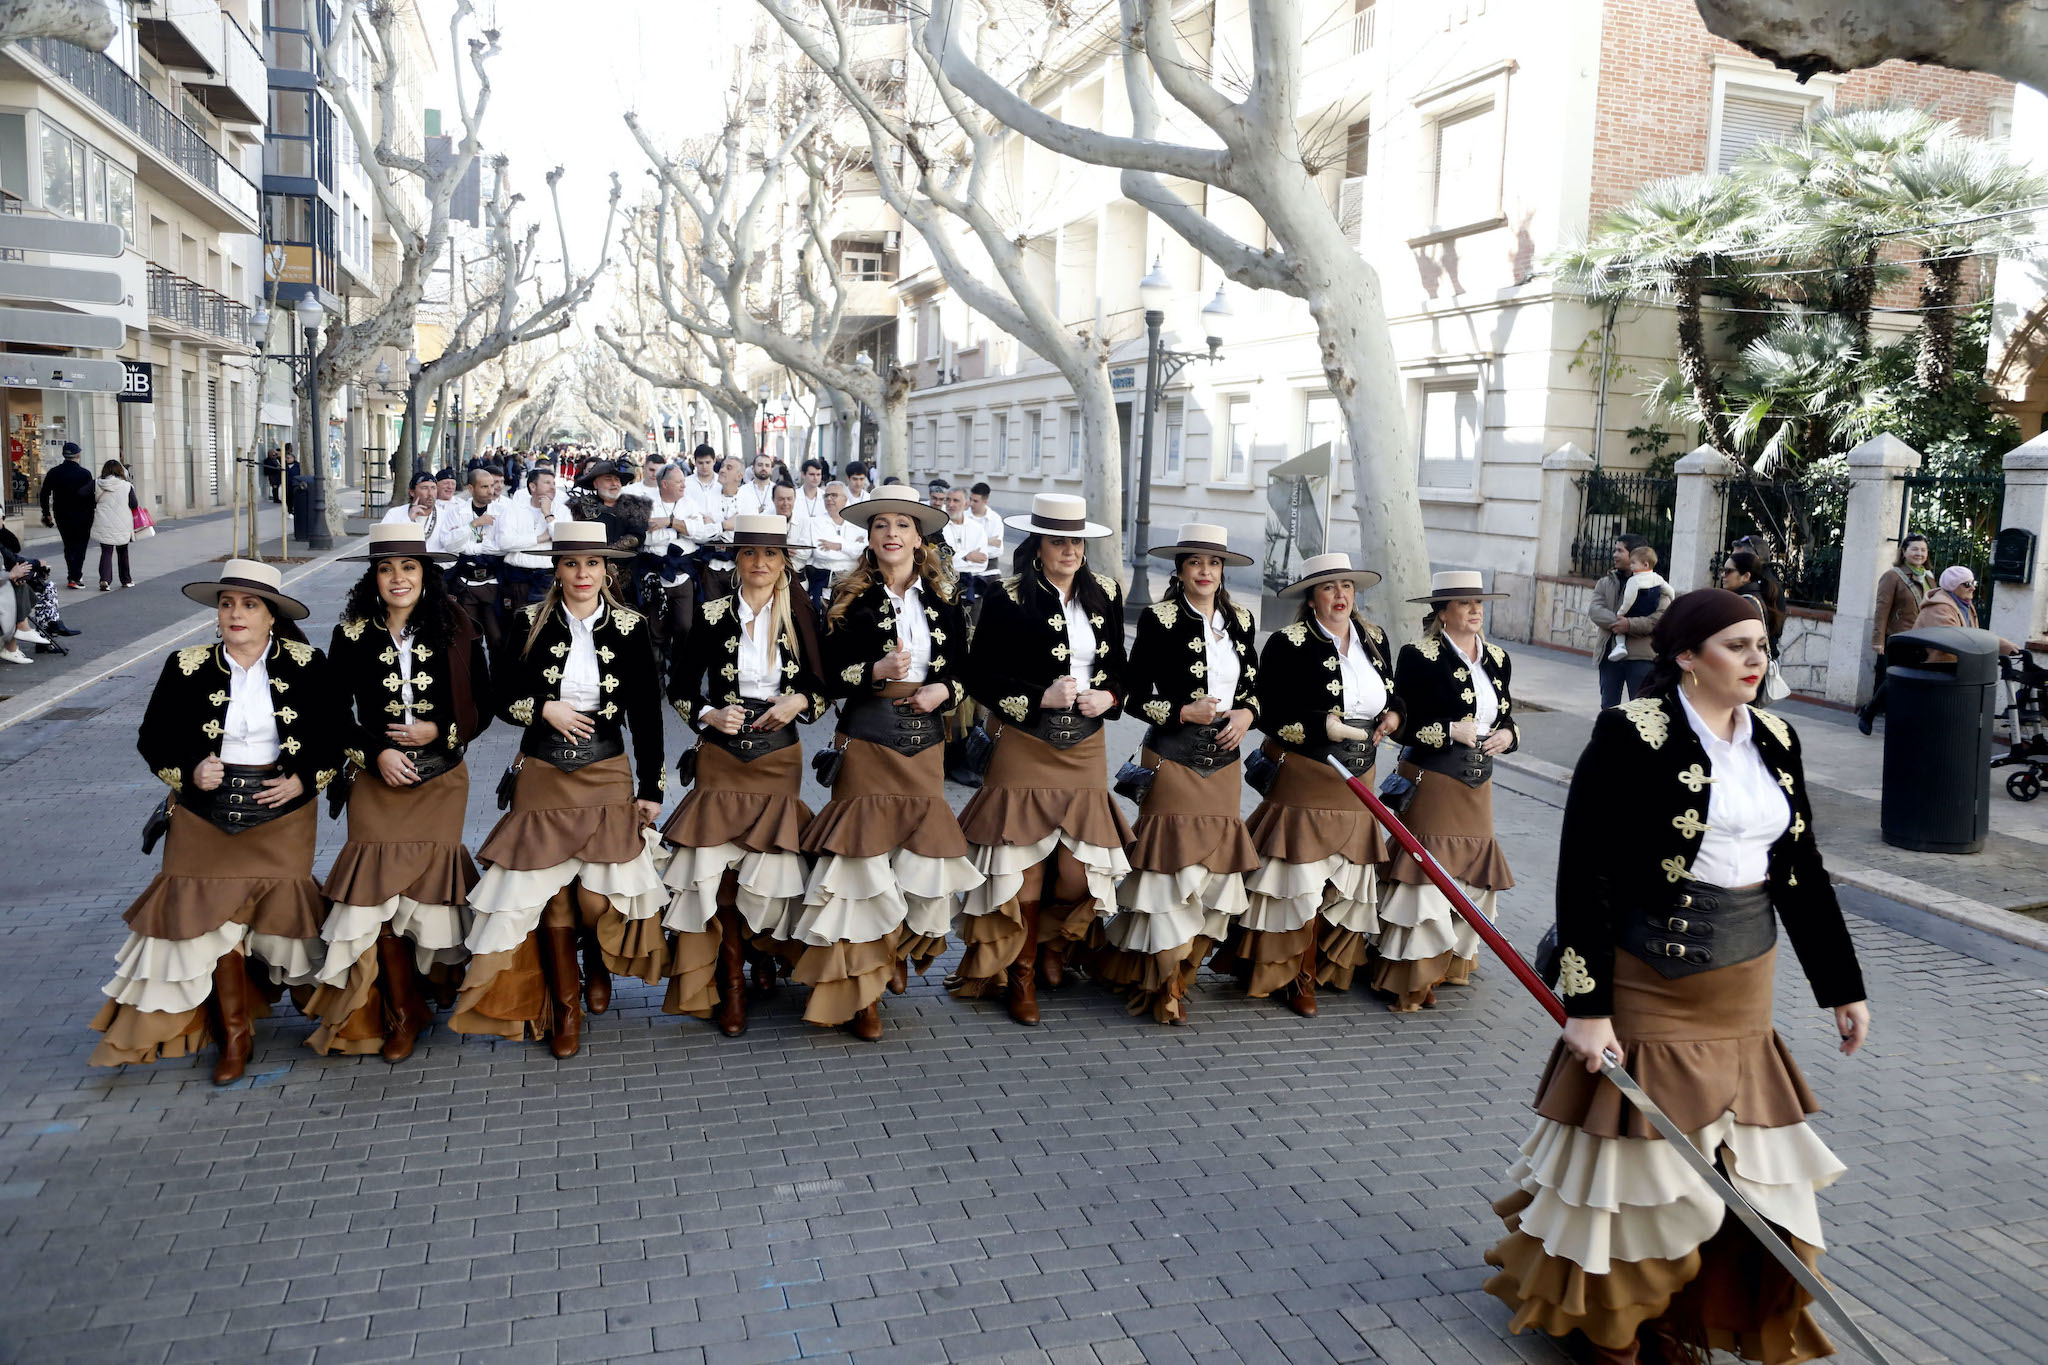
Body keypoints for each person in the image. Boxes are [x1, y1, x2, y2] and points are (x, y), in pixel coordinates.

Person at [1482, 588, 1872, 1365]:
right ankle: (1617, 1320)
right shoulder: (1633, 732)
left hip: (1744, 987)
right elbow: (1585, 872)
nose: (1757, 658)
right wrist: (1588, 1006)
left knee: (1749, 1174)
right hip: (1652, 978)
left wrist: (1842, 986)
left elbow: (1801, 873)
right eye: (1737, 644)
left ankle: (1678, 1308)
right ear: (1688, 656)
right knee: (1643, 1168)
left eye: (1763, 644)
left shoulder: (1778, 737)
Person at [88, 560, 337, 1082]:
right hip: (203, 813)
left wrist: (306, 779)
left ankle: (335, 1009)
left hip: (281, 809)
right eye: (227, 604)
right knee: (212, 916)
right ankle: (234, 1033)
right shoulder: (186, 664)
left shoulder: (307, 662)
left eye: (249, 605)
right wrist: (188, 770)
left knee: (287, 912)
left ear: (272, 616)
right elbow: (151, 737)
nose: (235, 614)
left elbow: (335, 736)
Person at [449, 522, 667, 1059]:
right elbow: (500, 695)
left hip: (606, 769)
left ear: (605, 570)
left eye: (591, 564)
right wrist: (543, 706)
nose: (582, 574)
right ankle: (566, 1007)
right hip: (544, 771)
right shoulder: (527, 620)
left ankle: (595, 956)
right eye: (571, 564)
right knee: (549, 896)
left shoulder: (633, 625)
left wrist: (652, 786)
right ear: (557, 569)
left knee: (596, 895)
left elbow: (646, 713)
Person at [798, 488, 982, 1039]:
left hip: (924, 745)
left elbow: (969, 672)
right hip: (869, 741)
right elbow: (825, 678)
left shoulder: (945, 602)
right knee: (861, 870)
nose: (891, 533)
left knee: (915, 863)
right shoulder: (848, 599)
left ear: (918, 537)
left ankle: (894, 951)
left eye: (903, 524)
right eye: (881, 525)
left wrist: (942, 691)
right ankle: (864, 990)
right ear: (871, 537)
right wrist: (873, 670)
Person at [302, 524, 490, 1062]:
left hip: (441, 780)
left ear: (426, 574)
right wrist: (374, 753)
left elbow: (484, 701)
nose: (398, 578)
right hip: (375, 779)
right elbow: (332, 715)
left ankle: (431, 983)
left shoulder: (458, 626)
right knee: (377, 898)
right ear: (374, 578)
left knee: (425, 892)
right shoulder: (351, 633)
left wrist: (442, 730)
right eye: (387, 569)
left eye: (409, 568)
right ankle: (402, 1008)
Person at [948, 494, 1133, 1026]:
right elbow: (979, 675)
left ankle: (1055, 945)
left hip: (1085, 746)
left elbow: (1119, 665)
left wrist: (1111, 696)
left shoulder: (1107, 593)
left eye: (1077, 541)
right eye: (1059, 541)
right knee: (1023, 866)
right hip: (1025, 743)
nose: (1070, 550)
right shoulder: (1005, 595)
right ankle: (1022, 972)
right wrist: (1035, 699)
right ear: (1037, 545)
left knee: (1079, 872)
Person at [659, 514, 828, 1037]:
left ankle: (762, 957)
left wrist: (799, 700)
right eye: (750, 554)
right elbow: (682, 688)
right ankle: (731, 981)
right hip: (722, 758)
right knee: (722, 874)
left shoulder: (802, 616)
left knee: (769, 867)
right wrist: (709, 715)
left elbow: (822, 691)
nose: (759, 564)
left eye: (770, 555)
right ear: (737, 561)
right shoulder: (710, 615)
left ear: (784, 563)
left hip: (779, 760)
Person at [1218, 551, 1402, 1015]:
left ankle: (1320, 965)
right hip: (1308, 773)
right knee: (1297, 880)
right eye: (1328, 588)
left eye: (1346, 586)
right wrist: (1325, 725)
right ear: (1311, 597)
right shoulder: (1288, 642)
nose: (1340, 595)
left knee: (1341, 878)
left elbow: (1394, 693)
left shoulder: (1374, 638)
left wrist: (1395, 715)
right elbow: (1270, 712)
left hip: (1359, 776)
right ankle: (1293, 976)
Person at [1098, 525, 1262, 1025]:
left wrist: (1246, 714)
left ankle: (1183, 975)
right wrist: (1180, 712)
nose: (1206, 572)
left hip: (1225, 765)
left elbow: (1253, 683)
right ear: (1181, 570)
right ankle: (1161, 983)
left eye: (1214, 563)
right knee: (1171, 874)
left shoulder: (1241, 619)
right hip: (1172, 758)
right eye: (1196, 563)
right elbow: (1132, 694)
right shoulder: (1160, 618)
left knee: (1214, 876)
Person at [1377, 570, 1518, 1012]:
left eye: (1479, 603)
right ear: (1442, 611)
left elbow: (1506, 714)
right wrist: (1448, 730)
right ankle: (1413, 972)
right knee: (1428, 873)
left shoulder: (1497, 657)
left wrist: (1510, 736)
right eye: (1464, 603)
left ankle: (1452, 962)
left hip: (1479, 784)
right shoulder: (1418, 655)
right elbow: (1402, 722)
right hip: (1433, 777)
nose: (1475, 610)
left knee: (1472, 875)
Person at [1857, 532, 1933, 734]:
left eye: (1923, 550)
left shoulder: (1930, 577)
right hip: (1900, 637)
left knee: (1916, 682)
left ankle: (1903, 721)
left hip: (1925, 638)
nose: (1919, 553)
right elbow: (1882, 609)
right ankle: (1870, 710)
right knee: (1896, 680)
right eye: (1914, 549)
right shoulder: (1892, 576)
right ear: (1904, 552)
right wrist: (1878, 639)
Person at [1589, 534, 1663, 706]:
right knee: (1609, 707)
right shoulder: (1605, 582)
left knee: (1640, 709)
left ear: (1635, 554)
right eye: (1615, 550)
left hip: (1640, 657)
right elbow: (1595, 611)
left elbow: (1659, 619)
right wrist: (1619, 622)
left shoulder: (1655, 584)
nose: (1614, 554)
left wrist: (1629, 625)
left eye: (1620, 551)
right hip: (1609, 656)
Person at [495, 466, 559, 616]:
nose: (552, 487)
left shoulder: (562, 510)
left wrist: (547, 514)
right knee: (516, 625)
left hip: (547, 578)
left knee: (544, 625)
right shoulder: (513, 509)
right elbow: (505, 542)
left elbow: (562, 540)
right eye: (547, 483)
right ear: (532, 486)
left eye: (554, 483)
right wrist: (540, 538)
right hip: (518, 578)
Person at [1915, 565, 2021, 655]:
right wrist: (1998, 645)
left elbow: (1972, 635)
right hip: (1933, 671)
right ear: (1953, 586)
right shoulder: (1938, 608)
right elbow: (1958, 640)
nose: (1973, 588)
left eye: (1973, 583)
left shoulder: (1965, 605)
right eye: (1967, 584)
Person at [37, 440, 94, 589]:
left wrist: (46, 512)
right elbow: (90, 496)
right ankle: (75, 576)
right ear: (78, 455)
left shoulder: (54, 472)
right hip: (83, 515)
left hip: (62, 514)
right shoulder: (85, 474)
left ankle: (72, 575)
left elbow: (44, 493)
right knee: (80, 546)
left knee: (68, 545)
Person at [808, 482, 865, 606]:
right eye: (826, 496)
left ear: (845, 499)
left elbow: (863, 551)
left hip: (852, 578)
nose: (829, 499)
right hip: (824, 579)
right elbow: (821, 554)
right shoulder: (816, 522)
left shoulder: (856, 522)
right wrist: (852, 549)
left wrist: (839, 546)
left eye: (834, 495)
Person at [1720, 550, 1785, 658]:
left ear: (1745, 576)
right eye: (1722, 570)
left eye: (1728, 571)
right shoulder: (1748, 599)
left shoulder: (1745, 604)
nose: (1723, 575)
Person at [90, 459, 139, 592]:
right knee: (123, 551)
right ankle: (126, 580)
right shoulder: (127, 486)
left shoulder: (97, 483)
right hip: (122, 522)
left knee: (106, 551)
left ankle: (105, 579)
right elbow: (134, 504)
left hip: (103, 521)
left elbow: (82, 494)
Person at [941, 488, 988, 605]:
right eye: (948, 500)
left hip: (973, 588)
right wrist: (967, 557)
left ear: (966, 504)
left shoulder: (977, 528)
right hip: (945, 588)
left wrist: (957, 559)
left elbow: (982, 563)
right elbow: (941, 561)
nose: (951, 504)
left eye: (956, 500)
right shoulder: (939, 528)